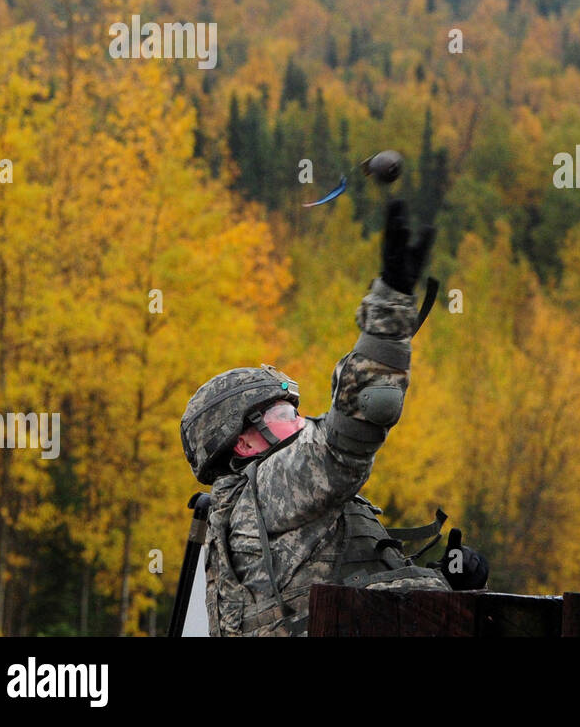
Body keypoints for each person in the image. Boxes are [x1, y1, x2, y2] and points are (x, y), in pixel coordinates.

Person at [180, 198, 487, 637]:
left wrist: (448, 580)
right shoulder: (267, 490)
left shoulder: (266, 507)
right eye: (287, 412)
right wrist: (389, 310)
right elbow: (355, 426)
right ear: (245, 443)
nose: (302, 420)